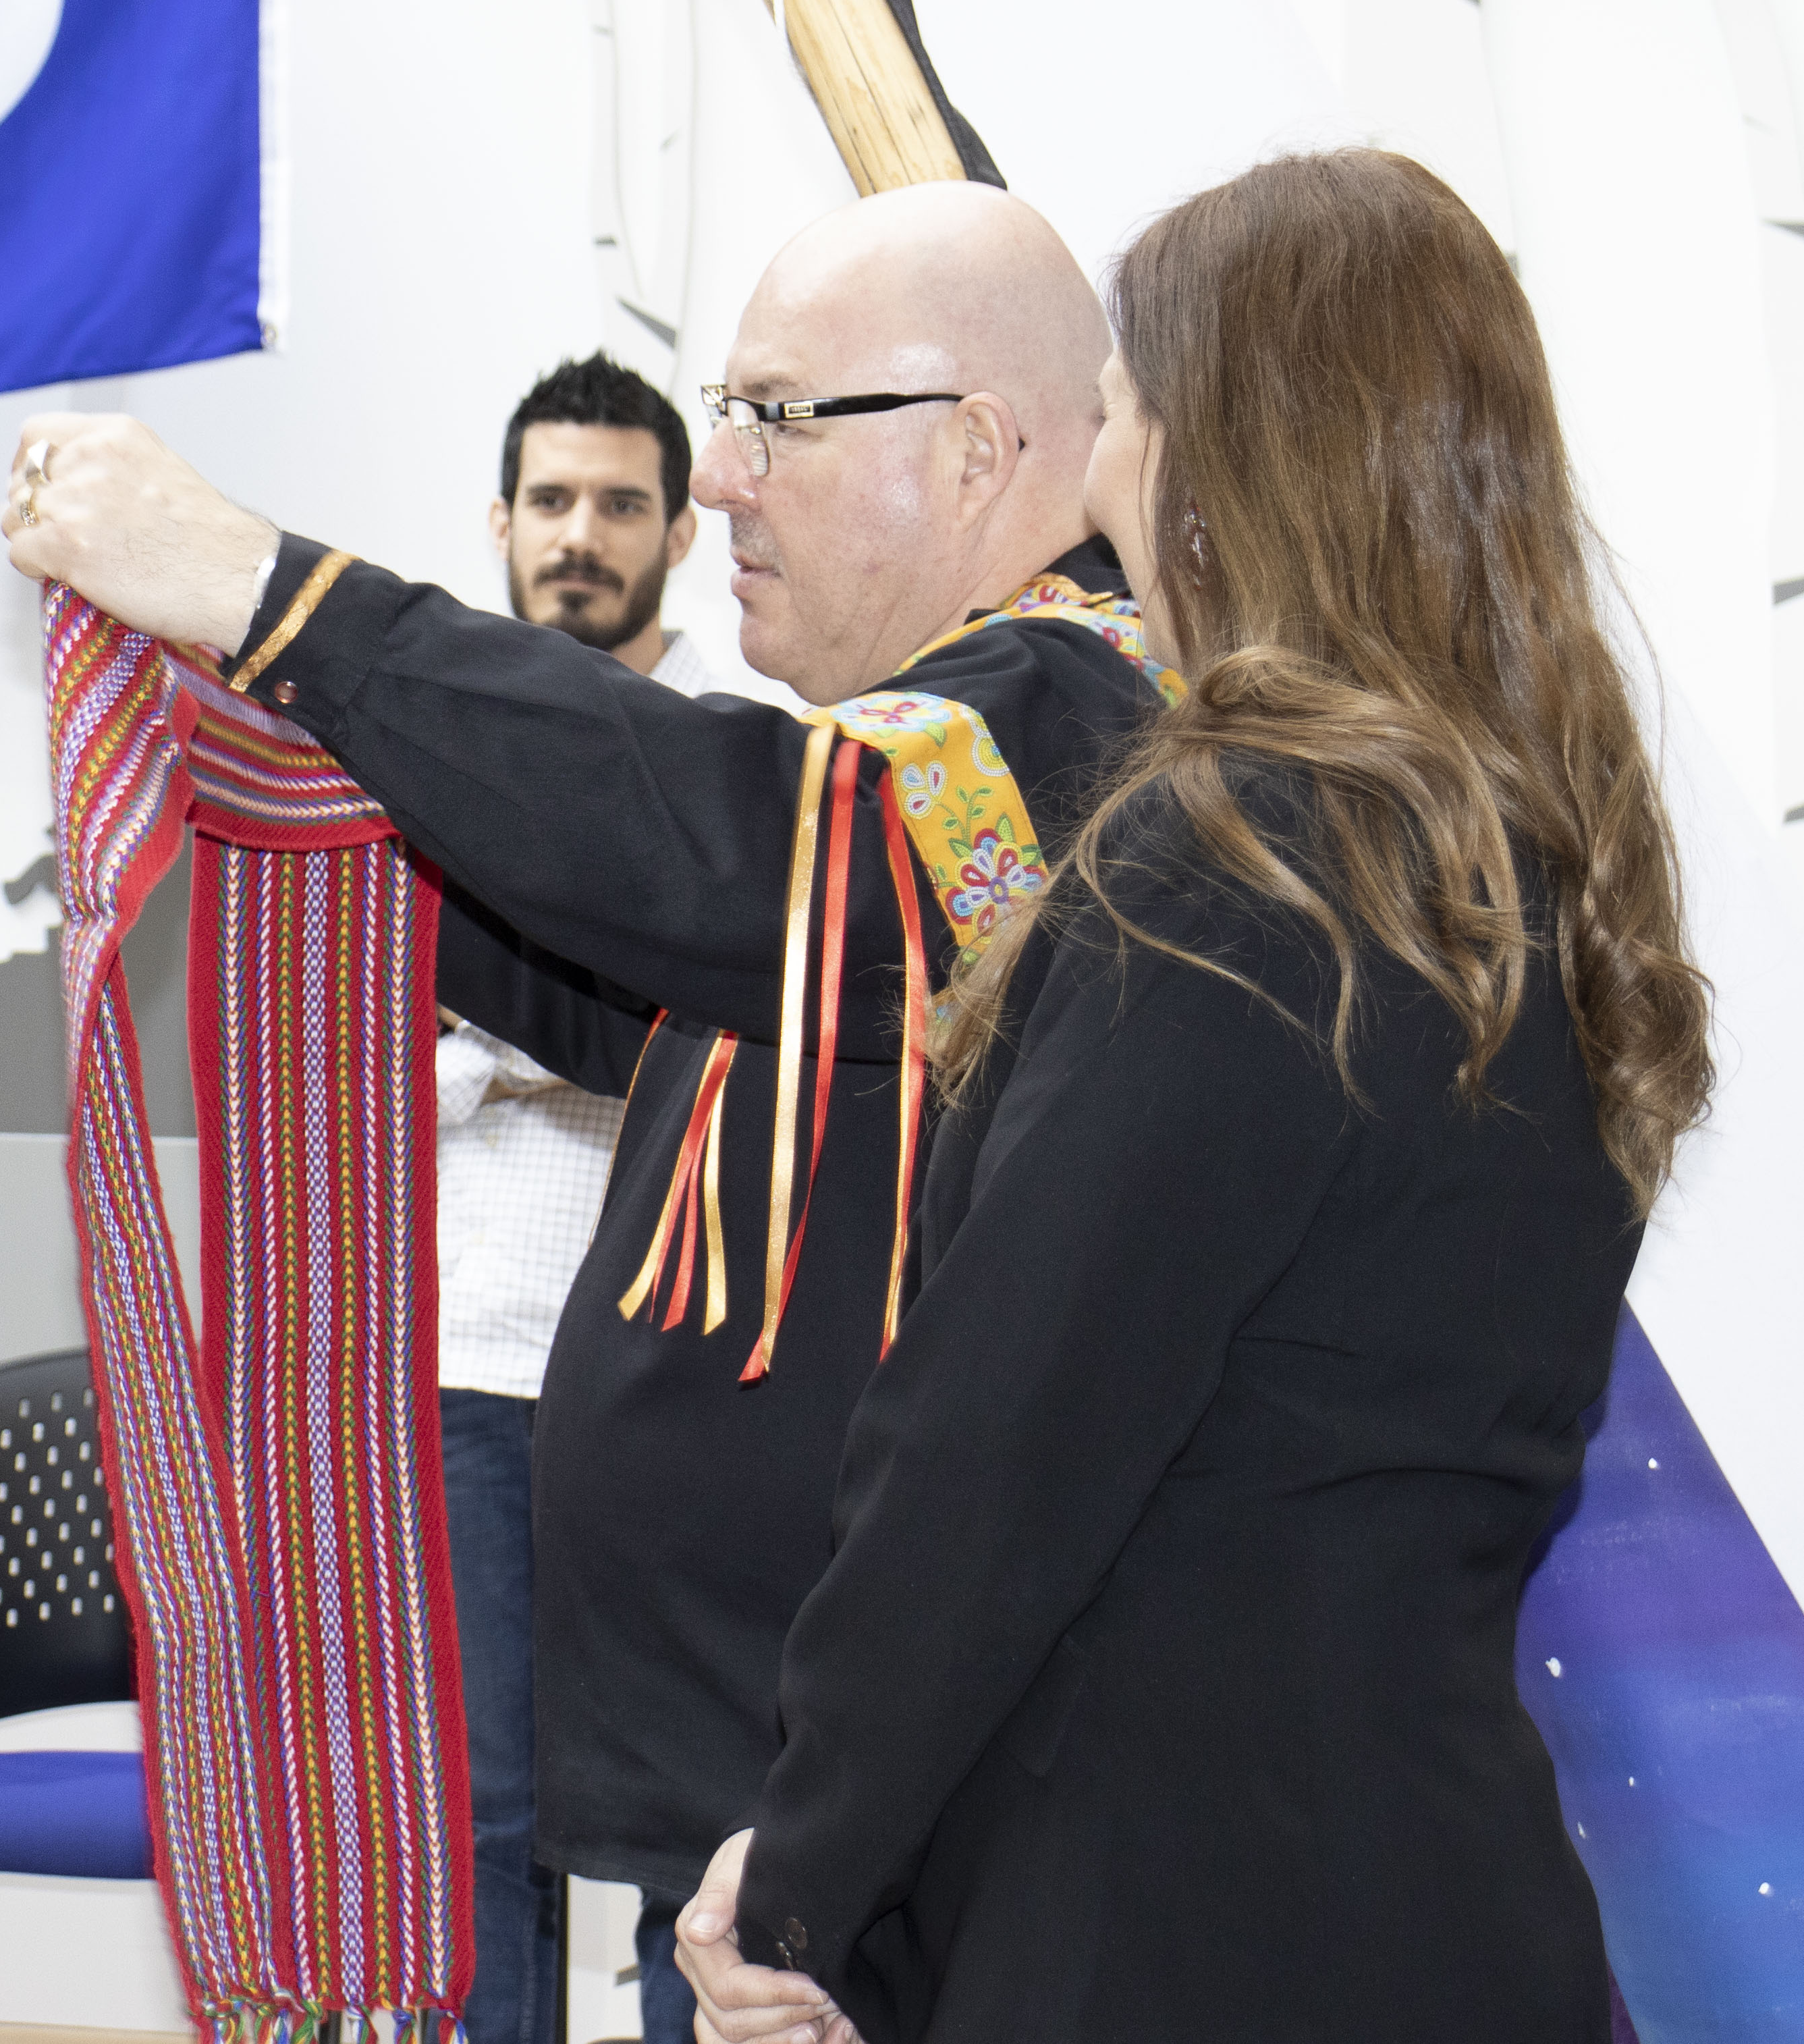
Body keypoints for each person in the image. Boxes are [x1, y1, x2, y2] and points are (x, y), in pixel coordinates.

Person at [1, 183, 1174, 2044]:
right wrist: (311, 781)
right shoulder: (936, 749)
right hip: (829, 1751)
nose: (718, 477)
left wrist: (276, 599)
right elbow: (648, 973)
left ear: (976, 447)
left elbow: (744, 850)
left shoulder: (1064, 702)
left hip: (948, 1785)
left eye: (778, 415)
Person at [669, 151, 1713, 2044]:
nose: (1096, 478)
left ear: (1225, 459)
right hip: (1453, 1894)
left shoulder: (1238, 856)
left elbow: (999, 1440)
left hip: (1162, 1919)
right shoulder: (1538, 862)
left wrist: (808, 1873)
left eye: (1124, 411)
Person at [441, 352, 714, 2044]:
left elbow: (719, 1053)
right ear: (501, 523)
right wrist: (579, 1035)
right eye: (552, 501)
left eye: (620, 503)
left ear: (681, 530)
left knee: (705, 1828)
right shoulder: (428, 752)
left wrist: (501, 1029)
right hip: (474, 1360)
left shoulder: (741, 758)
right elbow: (368, 1061)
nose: (581, 535)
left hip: (694, 1372)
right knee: (487, 1818)